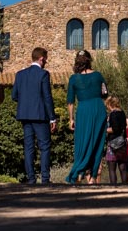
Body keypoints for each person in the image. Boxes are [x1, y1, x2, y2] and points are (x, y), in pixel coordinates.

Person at [11, 46, 56, 184]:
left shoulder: (20, 74)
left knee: (29, 147)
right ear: (41, 58)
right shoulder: (43, 74)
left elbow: (14, 96)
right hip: (40, 115)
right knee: (44, 147)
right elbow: (47, 97)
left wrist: (26, 102)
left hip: (25, 115)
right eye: (46, 60)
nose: (46, 63)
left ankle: (31, 179)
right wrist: (52, 118)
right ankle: (45, 178)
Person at [65, 49, 108, 184]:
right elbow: (105, 93)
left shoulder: (73, 79)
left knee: (81, 142)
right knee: (97, 142)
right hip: (98, 108)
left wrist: (71, 119)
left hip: (83, 110)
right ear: (89, 61)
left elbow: (70, 101)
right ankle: (93, 177)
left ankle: (78, 174)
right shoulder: (98, 75)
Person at [103, 96, 128, 184]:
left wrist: (105, 129)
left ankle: (114, 186)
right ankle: (125, 186)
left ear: (111, 104)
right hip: (122, 143)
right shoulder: (122, 113)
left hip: (113, 143)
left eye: (107, 105)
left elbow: (115, 128)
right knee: (123, 167)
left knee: (112, 168)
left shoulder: (113, 114)